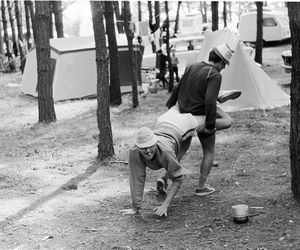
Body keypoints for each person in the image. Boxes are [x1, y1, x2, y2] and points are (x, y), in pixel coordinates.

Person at [165, 43, 236, 197]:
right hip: (200, 117)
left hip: (183, 117)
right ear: (220, 62)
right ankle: (201, 187)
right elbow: (209, 101)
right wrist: (210, 125)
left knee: (182, 149)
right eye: (224, 65)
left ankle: (163, 179)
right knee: (209, 150)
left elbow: (178, 87)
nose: (223, 68)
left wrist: (170, 106)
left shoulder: (193, 66)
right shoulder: (215, 74)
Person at [120, 105, 202, 217]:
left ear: (155, 142)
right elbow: (136, 178)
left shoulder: (166, 151)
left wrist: (165, 205)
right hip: (165, 122)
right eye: (143, 147)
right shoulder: (134, 150)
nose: (148, 150)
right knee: (180, 106)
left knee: (216, 120)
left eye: (150, 146)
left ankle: (213, 102)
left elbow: (178, 178)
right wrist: (135, 207)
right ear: (138, 146)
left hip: (183, 127)